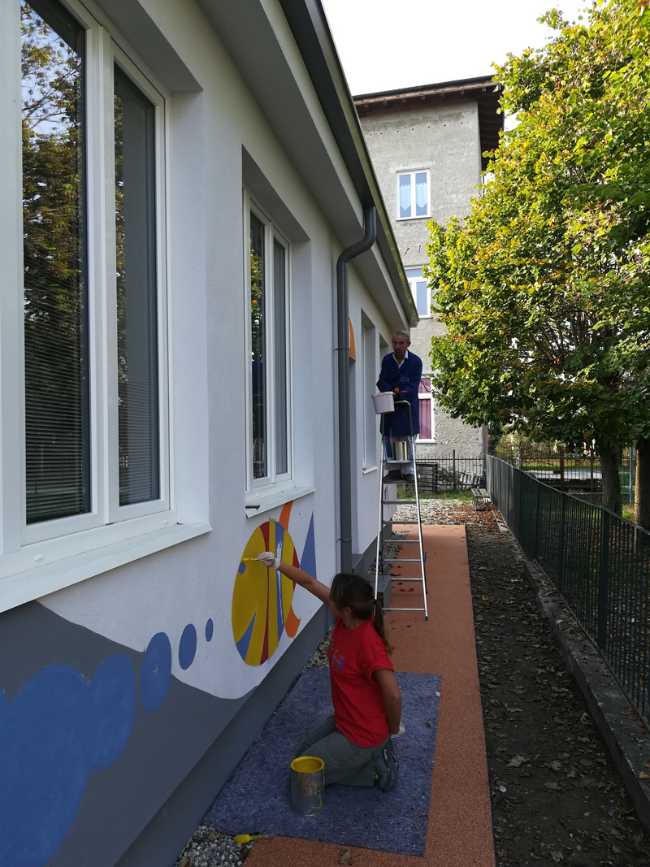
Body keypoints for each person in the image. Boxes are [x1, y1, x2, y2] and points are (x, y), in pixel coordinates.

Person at [256, 551, 401, 791]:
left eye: (333, 598)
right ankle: (365, 760)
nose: (328, 599)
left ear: (346, 610)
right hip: (346, 721)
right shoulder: (346, 619)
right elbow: (309, 582)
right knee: (301, 756)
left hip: (364, 736)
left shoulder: (368, 644)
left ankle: (375, 772)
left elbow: (394, 694)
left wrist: (392, 731)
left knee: (301, 778)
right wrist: (277, 563)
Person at [377, 331, 422, 481]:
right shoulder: (387, 361)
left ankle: (408, 470)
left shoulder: (415, 362)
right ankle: (393, 469)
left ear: (408, 344)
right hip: (390, 406)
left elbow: (413, 385)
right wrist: (390, 390)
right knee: (390, 437)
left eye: (401, 343)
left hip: (407, 407)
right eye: (395, 343)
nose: (397, 346)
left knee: (408, 438)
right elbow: (382, 380)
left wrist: (400, 391)